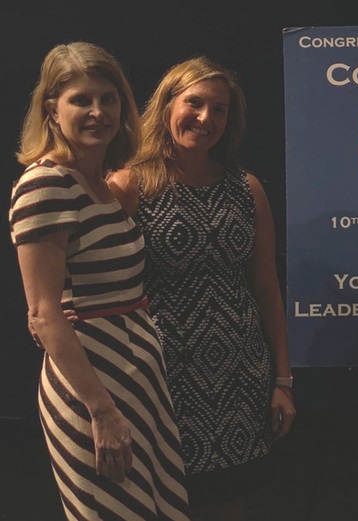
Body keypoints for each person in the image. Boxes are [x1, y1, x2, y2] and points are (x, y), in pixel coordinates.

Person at [108, 56, 295, 521]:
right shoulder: (132, 184)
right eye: (194, 102)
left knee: (233, 498)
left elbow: (267, 288)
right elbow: (98, 278)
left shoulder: (246, 187)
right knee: (167, 500)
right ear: (168, 104)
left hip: (241, 375)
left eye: (220, 109)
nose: (206, 118)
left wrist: (283, 380)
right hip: (162, 377)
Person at [8, 42, 189, 520]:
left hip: (137, 379)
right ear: (52, 110)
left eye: (108, 99)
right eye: (80, 100)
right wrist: (102, 411)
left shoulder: (102, 184)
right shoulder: (45, 184)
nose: (97, 111)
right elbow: (43, 315)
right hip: (93, 386)